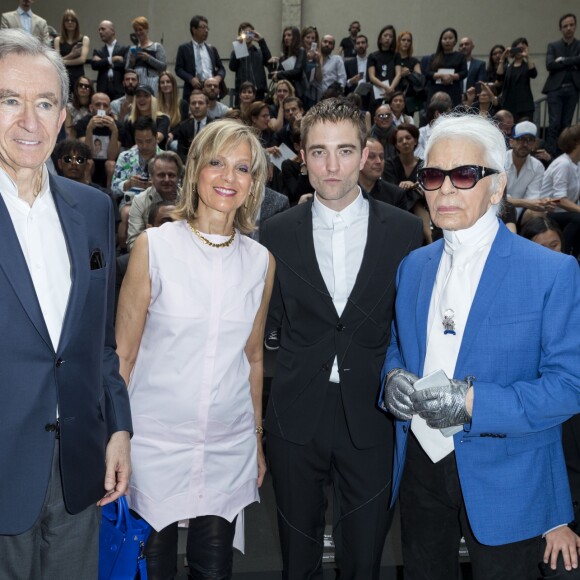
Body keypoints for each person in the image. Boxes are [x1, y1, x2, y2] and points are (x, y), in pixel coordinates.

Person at [382, 113, 580, 579]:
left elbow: (569, 387)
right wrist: (391, 377)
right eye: (433, 175)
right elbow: (398, 344)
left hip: (508, 476)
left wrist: (471, 403)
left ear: (497, 187)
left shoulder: (550, 272)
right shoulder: (412, 266)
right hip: (420, 468)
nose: (445, 189)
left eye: (465, 174)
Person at [260, 97, 423, 579]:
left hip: (372, 412)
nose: (332, 166)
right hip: (294, 415)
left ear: (366, 152)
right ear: (302, 156)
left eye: (345, 151)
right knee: (297, 557)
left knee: (364, 558)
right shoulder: (274, 232)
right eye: (318, 152)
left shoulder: (406, 230)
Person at [116, 118, 275, 579]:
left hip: (228, 444)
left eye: (243, 168)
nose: (229, 178)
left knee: (214, 569)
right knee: (153, 568)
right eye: (217, 163)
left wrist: (257, 442)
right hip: (153, 443)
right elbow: (123, 356)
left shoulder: (261, 262)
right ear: (194, 172)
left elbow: (253, 358)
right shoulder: (154, 247)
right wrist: (116, 437)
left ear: (254, 183)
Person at [0, 29, 131, 578]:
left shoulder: (94, 208)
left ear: (62, 117)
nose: (29, 120)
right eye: (9, 100)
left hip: (80, 464)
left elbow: (99, 342)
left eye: (44, 103)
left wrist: (120, 428)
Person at [126, 151, 182, 250]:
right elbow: (133, 242)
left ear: (178, 177)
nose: (166, 179)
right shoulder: (140, 201)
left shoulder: (188, 199)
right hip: (151, 253)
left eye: (171, 175)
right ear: (151, 177)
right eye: (161, 175)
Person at [543, 14, 580, 156]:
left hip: (573, 89)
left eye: (571, 25)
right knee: (554, 123)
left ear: (575, 26)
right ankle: (550, 154)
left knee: (567, 124)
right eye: (565, 26)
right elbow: (550, 64)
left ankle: (564, 153)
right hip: (555, 89)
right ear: (561, 29)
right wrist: (573, 62)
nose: (569, 28)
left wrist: (563, 60)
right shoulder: (553, 45)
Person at [175, 15, 226, 104]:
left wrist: (218, 77)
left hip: (211, 90)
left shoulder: (211, 49)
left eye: (207, 28)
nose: (206, 31)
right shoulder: (184, 48)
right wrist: (190, 79)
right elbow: (178, 69)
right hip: (193, 90)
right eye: (203, 27)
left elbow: (221, 68)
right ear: (194, 30)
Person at [229, 21, 272, 104]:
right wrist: (239, 45)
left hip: (258, 92)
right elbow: (232, 67)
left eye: (249, 33)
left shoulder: (259, 52)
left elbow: (269, 62)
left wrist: (261, 41)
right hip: (242, 93)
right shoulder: (238, 51)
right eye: (244, 33)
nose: (247, 35)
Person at [359, 137, 407, 209]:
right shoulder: (344, 191)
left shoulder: (395, 195)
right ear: (359, 160)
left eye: (381, 157)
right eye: (371, 156)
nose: (379, 161)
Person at [497, 37, 537, 122]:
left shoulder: (527, 65)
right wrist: (502, 58)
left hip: (524, 105)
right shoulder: (508, 67)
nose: (519, 51)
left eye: (522, 49)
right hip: (509, 104)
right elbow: (499, 77)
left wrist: (527, 56)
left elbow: (533, 74)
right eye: (517, 48)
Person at [425, 27, 467, 107]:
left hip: (453, 90)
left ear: (455, 41)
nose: (447, 41)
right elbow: (427, 73)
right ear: (441, 41)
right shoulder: (434, 56)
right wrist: (441, 76)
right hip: (436, 90)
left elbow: (464, 72)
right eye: (445, 38)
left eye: (450, 38)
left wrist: (451, 77)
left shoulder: (460, 56)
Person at [54, 9, 90, 99]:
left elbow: (82, 60)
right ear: (64, 23)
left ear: (76, 23)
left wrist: (63, 61)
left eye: (73, 20)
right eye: (67, 20)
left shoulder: (84, 39)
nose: (70, 23)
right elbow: (56, 62)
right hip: (63, 75)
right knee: (63, 100)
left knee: (78, 100)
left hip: (78, 75)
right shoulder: (58, 40)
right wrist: (72, 54)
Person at [126, 16, 166, 96]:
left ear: (147, 30)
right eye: (136, 30)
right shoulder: (132, 49)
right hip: (136, 82)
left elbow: (163, 66)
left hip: (152, 82)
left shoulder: (156, 46)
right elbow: (127, 70)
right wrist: (131, 63)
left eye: (140, 29)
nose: (138, 33)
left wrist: (148, 58)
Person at [123, 84, 170, 149]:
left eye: (146, 96)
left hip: (158, 156)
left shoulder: (163, 118)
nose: (142, 99)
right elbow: (128, 146)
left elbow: (158, 138)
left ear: (153, 100)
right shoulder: (129, 121)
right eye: (138, 96)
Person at [368, 25, 401, 110]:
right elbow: (372, 76)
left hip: (393, 92)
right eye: (385, 35)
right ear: (380, 38)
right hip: (377, 91)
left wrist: (391, 88)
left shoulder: (396, 55)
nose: (387, 38)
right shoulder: (372, 56)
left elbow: (398, 74)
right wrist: (385, 87)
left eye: (390, 36)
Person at [269, 26, 307, 101]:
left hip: (298, 92)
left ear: (295, 37)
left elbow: (297, 71)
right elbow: (276, 77)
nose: (286, 38)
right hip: (286, 92)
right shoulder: (283, 57)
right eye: (284, 36)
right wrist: (271, 65)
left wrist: (279, 74)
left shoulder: (301, 51)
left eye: (289, 35)